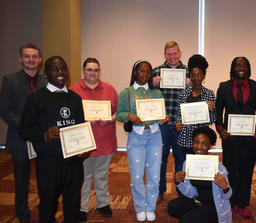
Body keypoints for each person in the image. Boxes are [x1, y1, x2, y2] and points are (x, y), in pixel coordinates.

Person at [18, 56, 85, 223]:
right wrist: (44, 136)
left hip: (73, 162)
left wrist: (84, 147)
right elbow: (23, 130)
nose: (60, 72)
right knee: (48, 205)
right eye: (55, 69)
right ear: (46, 73)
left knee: (73, 205)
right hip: (48, 162)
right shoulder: (36, 98)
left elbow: (81, 126)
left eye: (63, 68)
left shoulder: (75, 98)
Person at [116, 60, 169, 221]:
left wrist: (164, 119)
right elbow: (119, 114)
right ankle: (140, 206)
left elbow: (162, 115)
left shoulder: (157, 93)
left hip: (154, 136)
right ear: (135, 72)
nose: (145, 74)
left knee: (154, 174)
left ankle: (150, 206)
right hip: (136, 137)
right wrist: (129, 116)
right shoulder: (127, 92)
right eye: (141, 71)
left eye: (147, 72)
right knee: (137, 175)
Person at [0, 43, 46, 223]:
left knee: (44, 177)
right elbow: (4, 109)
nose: (31, 60)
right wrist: (26, 124)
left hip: (42, 139)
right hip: (19, 138)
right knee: (21, 179)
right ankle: (22, 212)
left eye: (35, 56)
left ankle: (45, 208)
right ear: (20, 59)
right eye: (27, 56)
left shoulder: (46, 81)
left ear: (40, 60)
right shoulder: (10, 80)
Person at [69, 58, 118, 222]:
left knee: (102, 175)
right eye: (89, 69)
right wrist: (82, 119)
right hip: (83, 143)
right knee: (83, 177)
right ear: (83, 71)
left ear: (99, 71)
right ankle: (82, 208)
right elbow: (68, 116)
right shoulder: (73, 90)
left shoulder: (109, 89)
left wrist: (110, 119)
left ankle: (103, 204)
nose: (92, 73)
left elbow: (120, 111)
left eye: (96, 70)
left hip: (105, 141)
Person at [215, 57, 256, 218]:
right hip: (230, 138)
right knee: (231, 171)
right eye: (238, 65)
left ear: (248, 68)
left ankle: (243, 204)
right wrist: (220, 129)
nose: (241, 67)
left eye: (244, 65)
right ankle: (231, 202)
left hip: (250, 139)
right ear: (232, 68)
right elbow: (218, 111)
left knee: (247, 172)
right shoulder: (224, 87)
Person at [167, 126, 232, 223]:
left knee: (185, 220)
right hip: (197, 200)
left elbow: (227, 196)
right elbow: (191, 193)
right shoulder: (188, 163)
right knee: (172, 208)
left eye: (204, 144)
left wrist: (225, 188)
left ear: (210, 146)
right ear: (192, 143)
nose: (199, 147)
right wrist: (178, 183)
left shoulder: (219, 168)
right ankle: (198, 214)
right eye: (196, 142)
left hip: (214, 204)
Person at [152, 41, 190, 203]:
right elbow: (148, 98)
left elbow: (197, 95)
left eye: (175, 53)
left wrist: (193, 84)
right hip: (162, 125)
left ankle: (182, 192)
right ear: (164, 55)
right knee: (160, 159)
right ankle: (160, 191)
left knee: (181, 160)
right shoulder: (156, 72)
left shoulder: (188, 72)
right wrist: (151, 84)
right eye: (169, 54)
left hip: (181, 125)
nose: (172, 57)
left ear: (180, 53)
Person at [175, 54, 215, 158]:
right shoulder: (183, 94)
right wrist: (178, 124)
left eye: (199, 74)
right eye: (193, 75)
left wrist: (212, 110)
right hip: (185, 139)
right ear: (190, 76)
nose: (196, 77)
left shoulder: (210, 94)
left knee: (200, 167)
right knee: (185, 168)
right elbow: (179, 116)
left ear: (204, 76)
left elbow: (212, 120)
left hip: (202, 141)